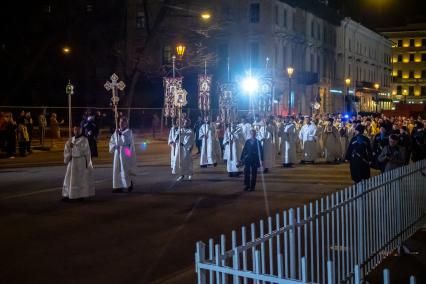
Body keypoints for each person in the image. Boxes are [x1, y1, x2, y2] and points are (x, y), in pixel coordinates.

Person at [62, 126, 95, 201]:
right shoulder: (71, 139)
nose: (76, 131)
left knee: (80, 179)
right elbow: (67, 150)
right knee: (69, 178)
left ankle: (80, 195)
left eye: (78, 129)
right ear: (73, 130)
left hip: (80, 162)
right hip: (72, 162)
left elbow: (83, 151)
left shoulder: (84, 139)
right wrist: (68, 152)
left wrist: (74, 146)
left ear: (81, 130)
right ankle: (68, 194)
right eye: (75, 129)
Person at [109, 117, 136, 193]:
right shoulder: (116, 132)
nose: (121, 123)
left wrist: (120, 134)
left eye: (123, 122)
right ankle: (117, 186)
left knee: (125, 168)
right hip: (118, 151)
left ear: (126, 123)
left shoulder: (129, 132)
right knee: (117, 169)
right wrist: (114, 146)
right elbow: (112, 141)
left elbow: (127, 141)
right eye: (120, 122)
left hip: (125, 151)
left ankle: (128, 184)